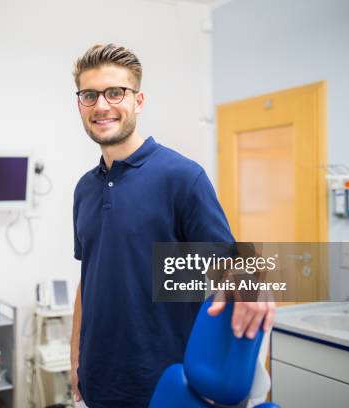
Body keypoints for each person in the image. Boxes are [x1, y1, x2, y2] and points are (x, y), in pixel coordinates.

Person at [70, 44, 275, 408]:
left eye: (115, 92)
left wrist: (253, 284)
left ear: (138, 100)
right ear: (80, 103)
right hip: (98, 384)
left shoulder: (181, 177)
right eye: (90, 95)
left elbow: (232, 262)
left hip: (164, 387)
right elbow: (89, 280)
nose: (101, 105)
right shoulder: (85, 189)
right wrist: (76, 363)